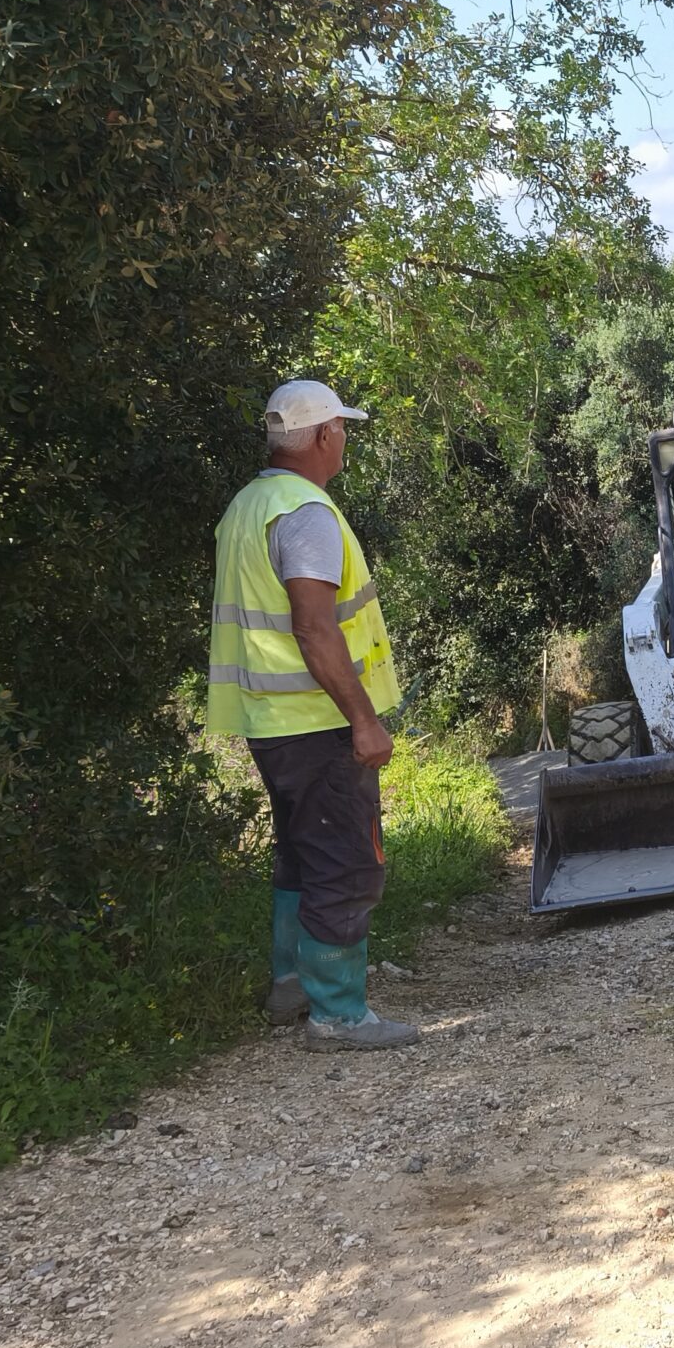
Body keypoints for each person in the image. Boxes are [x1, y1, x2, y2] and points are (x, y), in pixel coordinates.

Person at [205, 381, 416, 1051]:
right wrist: (364, 719)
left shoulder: (248, 506)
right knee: (346, 862)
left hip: (270, 721)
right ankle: (339, 1015)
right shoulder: (306, 512)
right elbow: (314, 628)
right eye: (342, 428)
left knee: (301, 853)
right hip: (317, 721)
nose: (345, 439)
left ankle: (292, 984)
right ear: (323, 435)